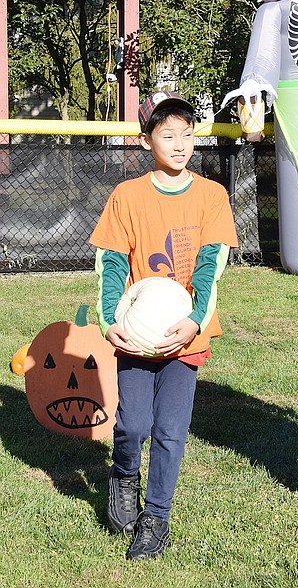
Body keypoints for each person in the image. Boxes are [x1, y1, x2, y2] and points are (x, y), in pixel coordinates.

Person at [89, 91, 238, 560]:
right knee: (133, 425)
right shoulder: (127, 196)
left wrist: (195, 320)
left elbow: (212, 265)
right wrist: (109, 318)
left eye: (187, 134)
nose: (179, 144)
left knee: (171, 430)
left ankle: (156, 518)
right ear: (146, 138)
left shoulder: (212, 196)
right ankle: (124, 473)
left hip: (184, 335)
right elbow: (111, 262)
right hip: (136, 335)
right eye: (168, 134)